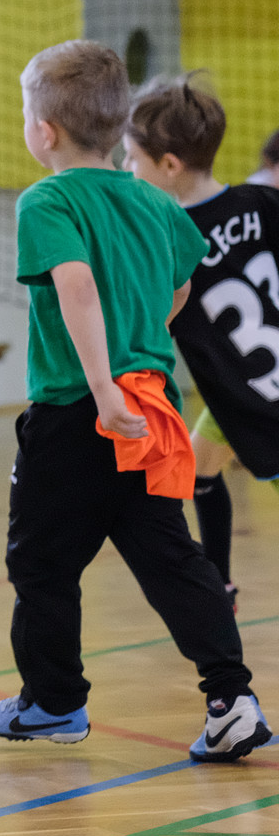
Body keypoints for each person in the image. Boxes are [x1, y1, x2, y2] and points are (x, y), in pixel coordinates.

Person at [0, 41, 268, 762]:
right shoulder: (155, 202)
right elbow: (182, 282)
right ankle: (231, 700)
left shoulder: (48, 200)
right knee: (171, 557)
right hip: (152, 405)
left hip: (80, 410)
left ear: (44, 131)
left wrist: (104, 387)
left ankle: (52, 703)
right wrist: (142, 340)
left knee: (41, 563)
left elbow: (74, 284)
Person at [123, 73, 279, 613]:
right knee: (200, 465)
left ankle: (217, 589)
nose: (126, 169)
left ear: (169, 165)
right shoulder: (262, 201)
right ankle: (220, 586)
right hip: (244, 389)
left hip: (259, 405)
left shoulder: (169, 239)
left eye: (131, 158)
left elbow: (152, 323)